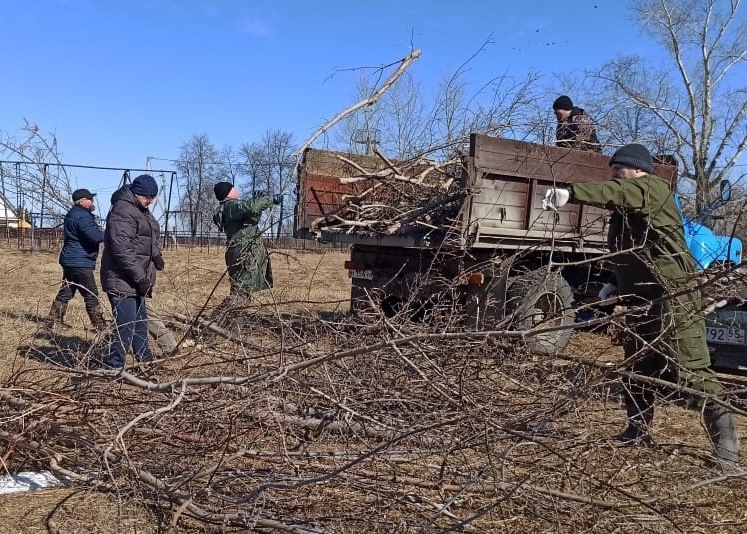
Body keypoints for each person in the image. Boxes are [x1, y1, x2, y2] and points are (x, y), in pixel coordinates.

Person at [542, 143, 739, 468]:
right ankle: (637, 431)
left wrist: (571, 193)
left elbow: (617, 192)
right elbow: (630, 252)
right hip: (641, 300)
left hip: (672, 298)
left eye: (620, 171)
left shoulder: (653, 189)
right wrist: (613, 282)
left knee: (691, 371)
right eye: (613, 172)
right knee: (636, 368)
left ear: (638, 170)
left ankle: (727, 449)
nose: (615, 177)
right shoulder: (626, 211)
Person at [99, 174, 164, 369]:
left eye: (153, 197)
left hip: (136, 279)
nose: (150, 201)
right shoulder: (123, 211)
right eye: (147, 196)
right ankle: (113, 366)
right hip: (122, 279)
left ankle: (146, 360)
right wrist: (141, 278)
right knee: (125, 327)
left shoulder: (141, 210)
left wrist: (156, 256)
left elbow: (149, 237)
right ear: (137, 193)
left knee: (140, 324)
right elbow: (123, 250)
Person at [45, 188, 107, 332]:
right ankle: (100, 327)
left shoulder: (73, 214)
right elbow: (96, 237)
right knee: (91, 294)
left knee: (66, 292)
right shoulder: (83, 217)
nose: (93, 201)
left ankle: (51, 323)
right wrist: (109, 233)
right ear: (82, 201)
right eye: (90, 199)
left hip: (70, 260)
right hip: (80, 261)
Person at [212, 181, 280, 305]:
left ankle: (232, 317)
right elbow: (250, 207)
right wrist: (270, 199)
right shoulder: (231, 206)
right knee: (241, 291)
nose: (235, 189)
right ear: (227, 193)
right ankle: (227, 318)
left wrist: (257, 202)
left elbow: (250, 222)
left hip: (239, 250)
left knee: (243, 287)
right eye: (232, 188)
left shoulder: (229, 209)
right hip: (244, 251)